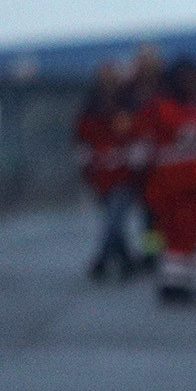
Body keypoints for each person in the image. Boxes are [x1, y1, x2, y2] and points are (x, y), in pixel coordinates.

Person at [139, 56, 196, 306]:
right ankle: (173, 284)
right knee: (177, 233)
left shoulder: (194, 107)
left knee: (190, 234)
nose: (193, 83)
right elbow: (151, 142)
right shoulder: (161, 107)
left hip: (193, 184)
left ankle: (181, 282)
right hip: (172, 184)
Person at [74, 61, 140, 281]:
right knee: (113, 220)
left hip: (123, 172)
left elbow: (137, 133)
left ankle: (102, 261)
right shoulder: (91, 107)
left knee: (115, 218)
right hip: (101, 173)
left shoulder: (128, 106)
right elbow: (82, 138)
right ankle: (127, 260)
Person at [120, 44, 166, 273]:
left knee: (157, 208)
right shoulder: (129, 89)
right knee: (147, 208)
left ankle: (155, 251)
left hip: (161, 155)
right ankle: (150, 252)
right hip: (138, 155)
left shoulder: (165, 87)